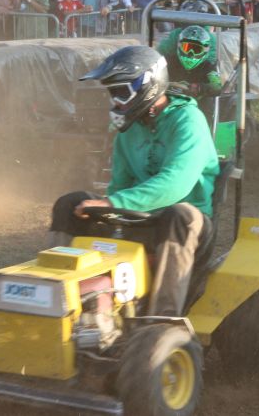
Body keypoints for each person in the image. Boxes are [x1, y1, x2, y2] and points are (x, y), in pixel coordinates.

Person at [48, 46, 219, 317]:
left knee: (179, 215)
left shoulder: (189, 120)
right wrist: (107, 209)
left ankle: (162, 319)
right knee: (70, 203)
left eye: (120, 92)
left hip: (188, 224)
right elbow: (120, 184)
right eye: (112, 93)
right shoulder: (129, 131)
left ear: (147, 86)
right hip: (138, 217)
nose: (115, 102)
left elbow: (176, 183)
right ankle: (55, 292)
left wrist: (113, 202)